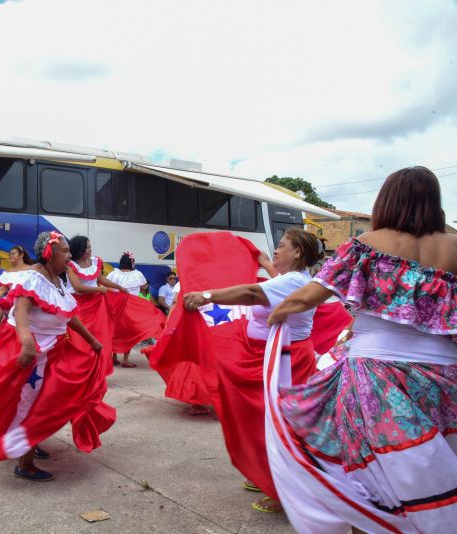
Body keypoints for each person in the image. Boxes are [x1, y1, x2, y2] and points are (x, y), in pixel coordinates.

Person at [264, 167, 457, 532]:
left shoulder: (365, 243)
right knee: (435, 465)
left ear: (386, 199)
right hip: (446, 376)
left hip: (375, 373)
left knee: (374, 475)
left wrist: (279, 313)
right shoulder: (455, 248)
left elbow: (310, 295)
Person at [182, 229, 334, 513]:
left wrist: (206, 295)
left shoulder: (292, 282)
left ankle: (286, 493)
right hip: (272, 357)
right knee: (259, 420)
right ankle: (268, 474)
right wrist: (257, 256)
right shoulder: (287, 279)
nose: (276, 251)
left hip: (286, 362)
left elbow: (252, 293)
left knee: (281, 427)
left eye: (282, 246)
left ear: (298, 252)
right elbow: (266, 271)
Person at [0, 231, 115, 481]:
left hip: (54, 351)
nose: (70, 256)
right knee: (33, 401)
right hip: (34, 352)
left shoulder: (57, 281)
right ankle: (24, 462)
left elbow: (68, 314)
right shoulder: (33, 277)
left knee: (52, 399)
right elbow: (22, 310)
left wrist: (92, 340)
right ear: (50, 252)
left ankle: (29, 444)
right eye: (65, 251)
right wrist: (26, 341)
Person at [65, 236, 127, 368]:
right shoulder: (71, 266)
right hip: (77, 304)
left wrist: (119, 287)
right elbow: (77, 287)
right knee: (79, 338)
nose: (90, 250)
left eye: (90, 247)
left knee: (99, 335)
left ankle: (98, 368)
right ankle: (81, 367)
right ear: (79, 249)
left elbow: (102, 280)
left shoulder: (93, 262)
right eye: (87, 247)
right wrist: (99, 290)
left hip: (96, 304)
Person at [106, 252, 163, 367]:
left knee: (114, 330)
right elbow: (143, 285)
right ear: (132, 262)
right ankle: (125, 360)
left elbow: (107, 286)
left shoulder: (114, 274)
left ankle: (113, 357)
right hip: (132, 307)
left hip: (115, 306)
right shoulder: (137, 274)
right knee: (129, 332)